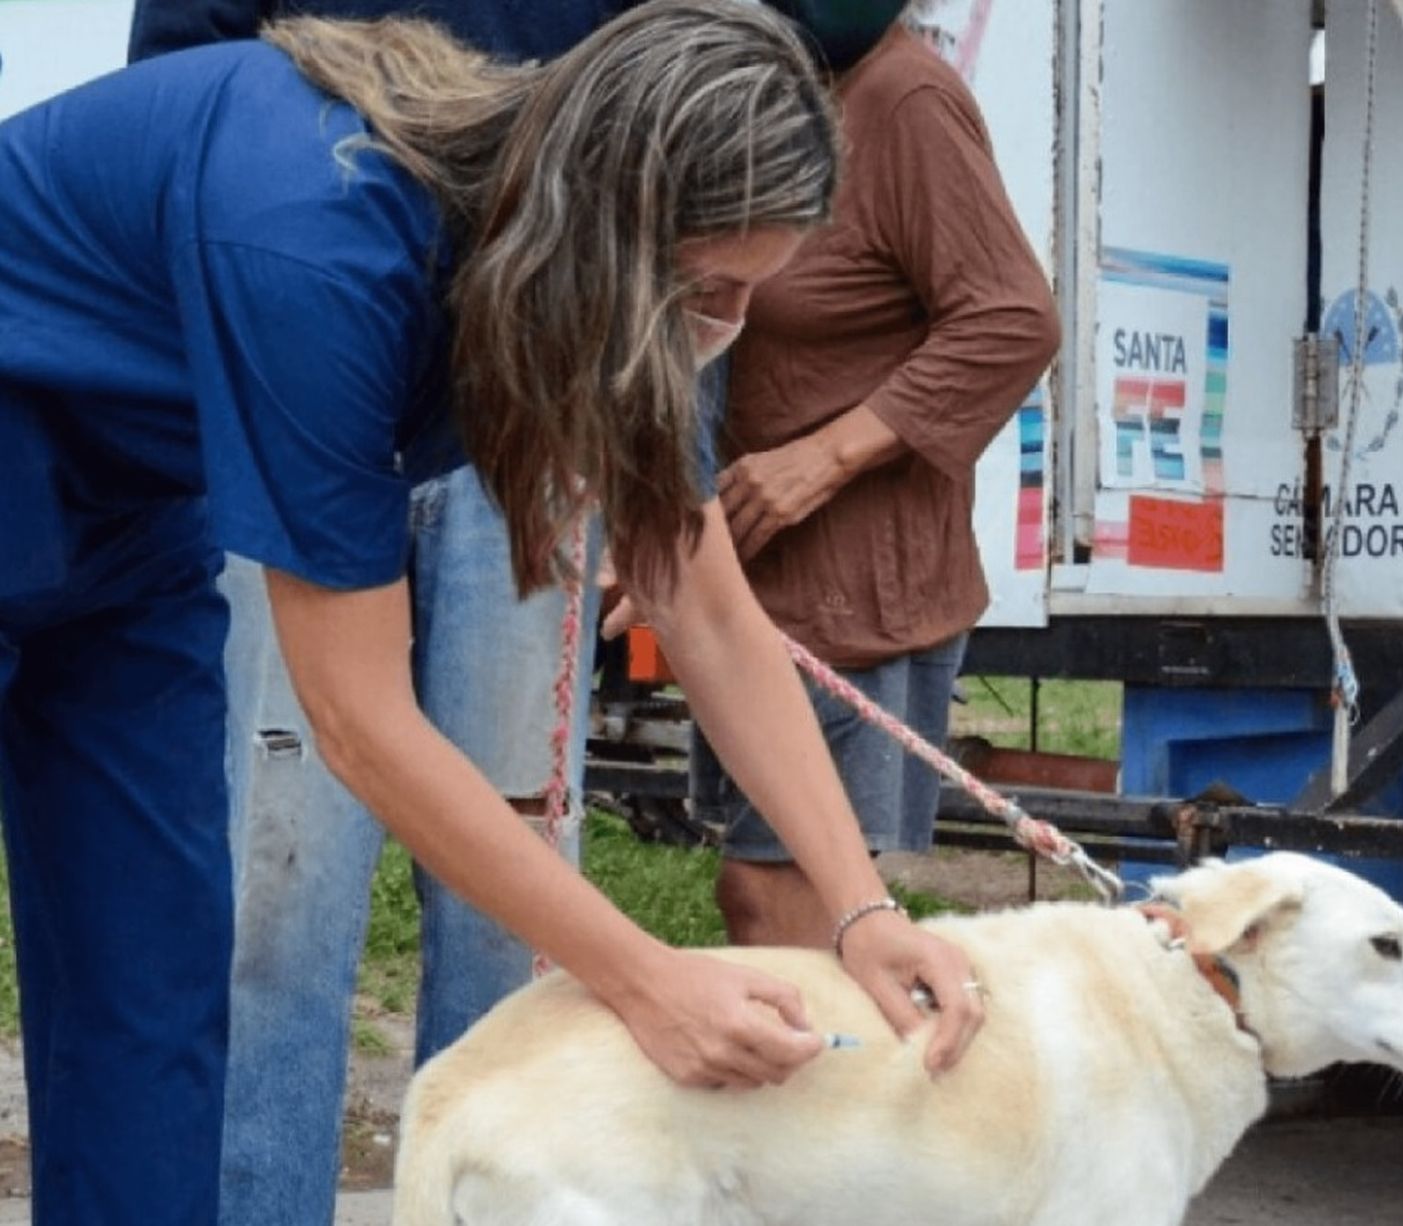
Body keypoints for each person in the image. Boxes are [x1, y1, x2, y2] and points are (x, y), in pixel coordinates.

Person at [0, 3, 984, 1221]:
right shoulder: (320, 234)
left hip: (124, 524)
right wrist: (642, 977)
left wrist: (862, 913)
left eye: (748, 299)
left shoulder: (614, 279)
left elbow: (709, 608)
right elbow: (356, 718)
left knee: (147, 985)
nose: (716, 332)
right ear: (610, 226)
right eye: (712, 289)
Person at [126, 3, 614, 1220]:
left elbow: (651, 165)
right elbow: (196, 89)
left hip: (528, 410)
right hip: (306, 364)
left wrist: (663, 471)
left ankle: (490, 1200)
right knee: (275, 900)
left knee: (514, 908)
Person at [691, 12, 1062, 946]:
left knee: (781, 901)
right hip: (754, 570)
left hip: (854, 581)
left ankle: (831, 1087)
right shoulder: (780, 77)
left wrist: (819, 461)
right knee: (768, 899)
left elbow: (1012, 320)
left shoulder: (905, 98)